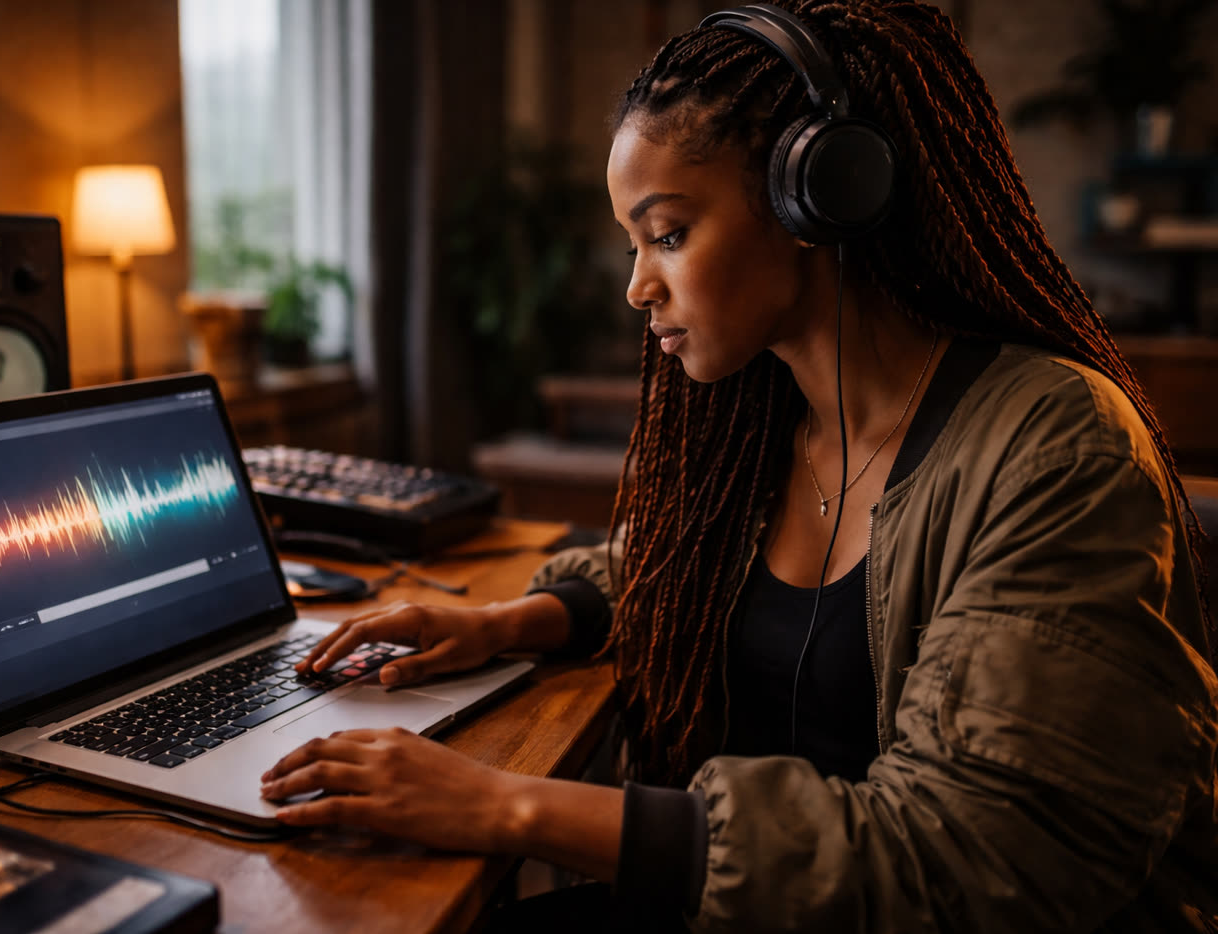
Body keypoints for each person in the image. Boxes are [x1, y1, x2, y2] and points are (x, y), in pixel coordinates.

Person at [259, 1, 1218, 930]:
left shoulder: (1054, 445)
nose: (639, 286)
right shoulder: (770, 422)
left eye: (668, 234)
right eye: (633, 244)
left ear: (821, 197)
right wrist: (511, 621)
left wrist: (507, 806)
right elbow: (675, 564)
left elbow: (972, 856)